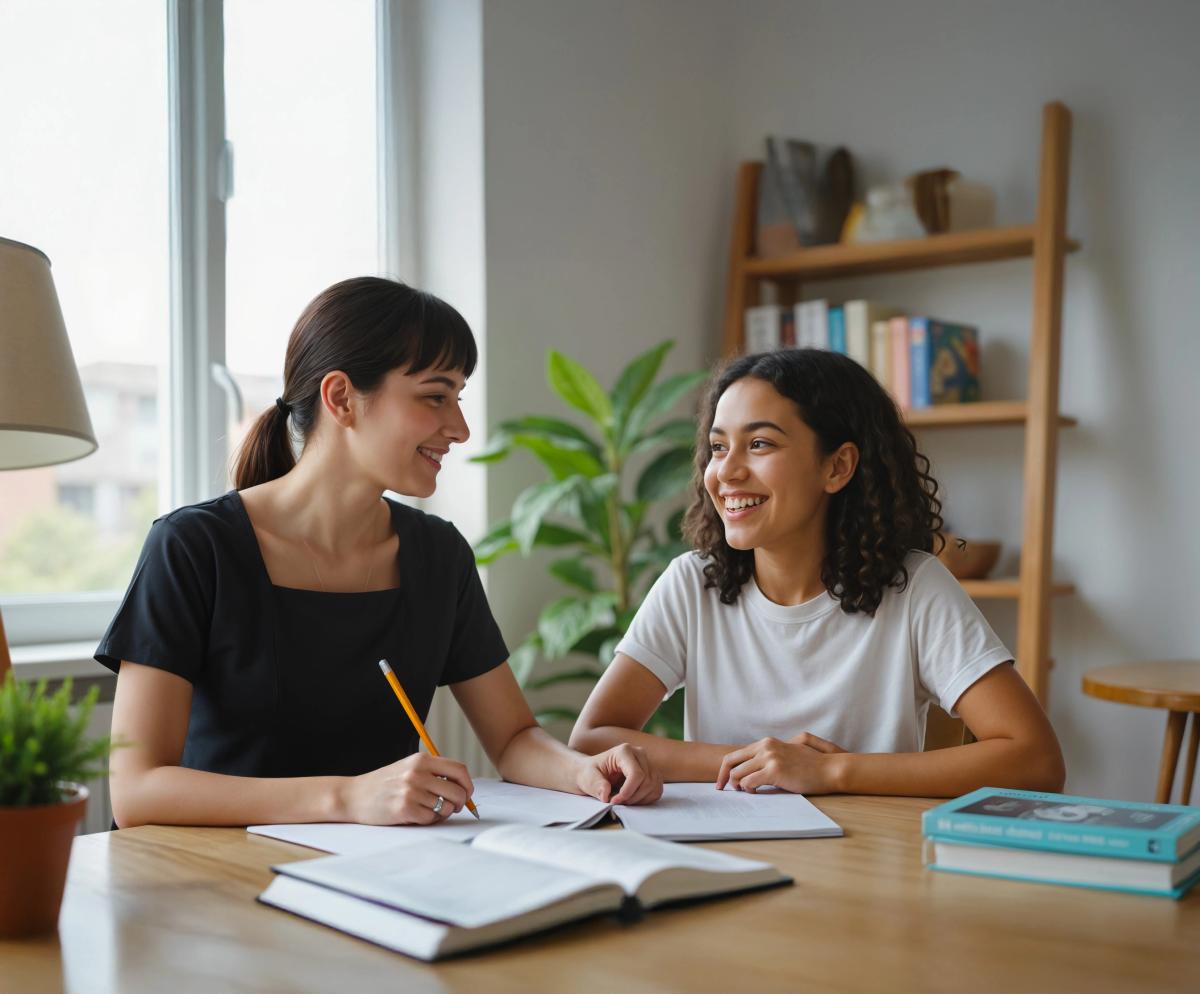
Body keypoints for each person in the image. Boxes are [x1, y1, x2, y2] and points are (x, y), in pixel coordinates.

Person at [99, 277, 661, 828]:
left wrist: (582, 771)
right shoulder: (193, 548)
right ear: (341, 398)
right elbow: (137, 790)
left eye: (458, 398)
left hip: (383, 872)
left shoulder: (439, 556)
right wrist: (346, 798)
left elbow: (513, 740)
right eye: (436, 396)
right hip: (223, 872)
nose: (460, 429)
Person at [570, 348, 1065, 797]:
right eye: (718, 448)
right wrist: (759, 763)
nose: (727, 472)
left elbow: (1037, 760)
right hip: (722, 852)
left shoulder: (915, 588)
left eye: (759, 443)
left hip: (864, 855)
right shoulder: (691, 584)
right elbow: (592, 739)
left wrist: (830, 771)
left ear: (837, 467)